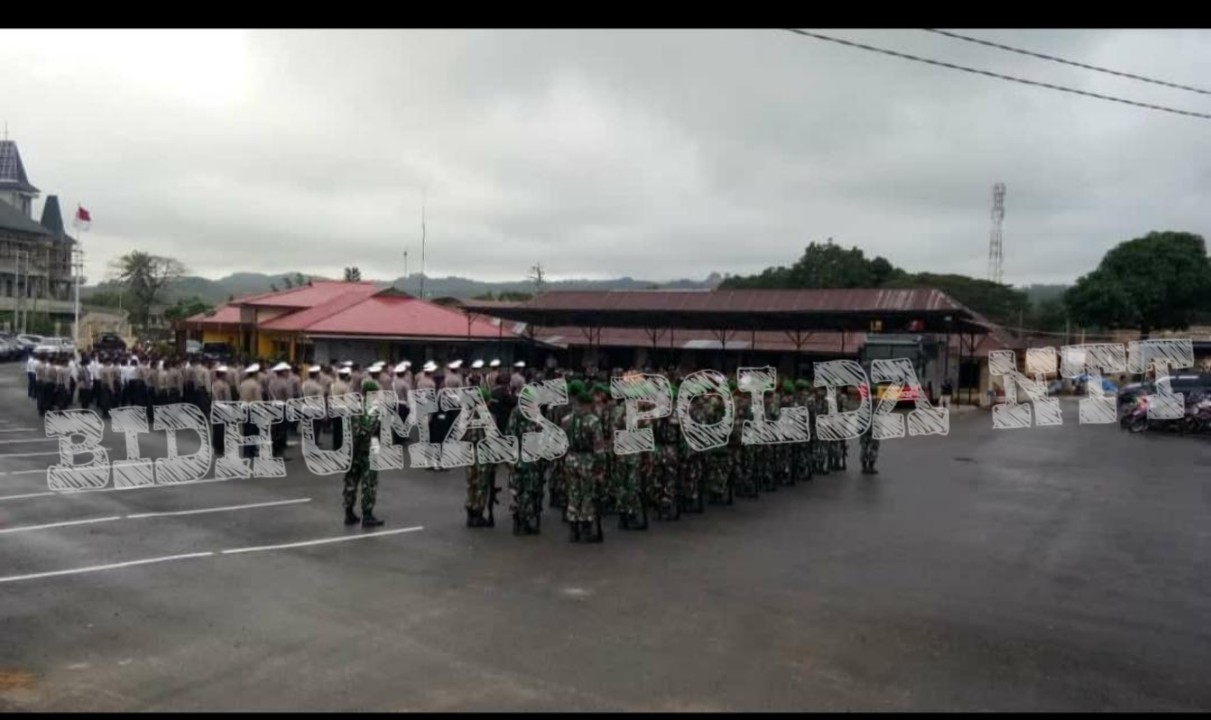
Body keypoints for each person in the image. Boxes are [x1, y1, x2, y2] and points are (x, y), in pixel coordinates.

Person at [561, 381, 606, 542]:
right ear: (587, 404)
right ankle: (586, 527)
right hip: (587, 461)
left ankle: (573, 529)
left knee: (573, 493)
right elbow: (599, 448)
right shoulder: (593, 421)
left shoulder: (566, 420)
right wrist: (601, 468)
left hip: (571, 459)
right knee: (587, 494)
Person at [343, 379, 385, 527]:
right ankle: (367, 515)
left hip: (352, 449)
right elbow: (367, 429)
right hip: (367, 449)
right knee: (369, 482)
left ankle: (349, 513)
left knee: (351, 481)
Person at [505, 386, 545, 535]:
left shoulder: (515, 412)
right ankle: (524, 521)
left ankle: (518, 519)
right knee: (529, 490)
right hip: (530, 458)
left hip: (517, 457)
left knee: (517, 490)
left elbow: (510, 435)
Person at [210, 366, 232, 457]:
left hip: (215, 407)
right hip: (223, 407)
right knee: (222, 429)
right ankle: (221, 448)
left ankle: (216, 447)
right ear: (222, 375)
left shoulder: (214, 384)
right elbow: (228, 399)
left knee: (216, 428)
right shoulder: (224, 385)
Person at [330, 367, 352, 452]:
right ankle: (341, 447)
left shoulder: (333, 385)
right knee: (343, 430)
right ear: (346, 377)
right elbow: (348, 400)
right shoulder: (345, 386)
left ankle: (335, 446)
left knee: (336, 429)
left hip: (334, 407)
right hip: (342, 408)